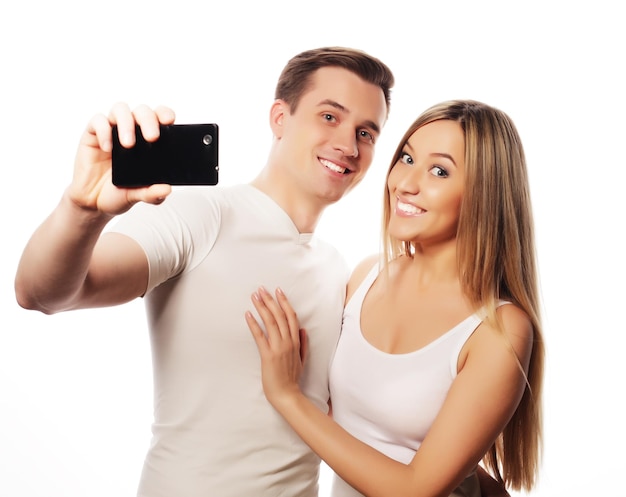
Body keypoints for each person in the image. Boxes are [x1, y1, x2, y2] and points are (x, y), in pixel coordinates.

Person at [14, 47, 394, 497]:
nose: (348, 146)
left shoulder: (338, 270)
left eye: (366, 132)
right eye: (330, 117)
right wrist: (79, 210)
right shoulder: (201, 214)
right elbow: (44, 293)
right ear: (279, 117)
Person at [246, 99, 544, 497]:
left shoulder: (499, 329)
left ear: (483, 193)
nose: (405, 183)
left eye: (439, 170)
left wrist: (287, 396)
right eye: (406, 158)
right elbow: (352, 426)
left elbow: (415, 490)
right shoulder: (366, 277)